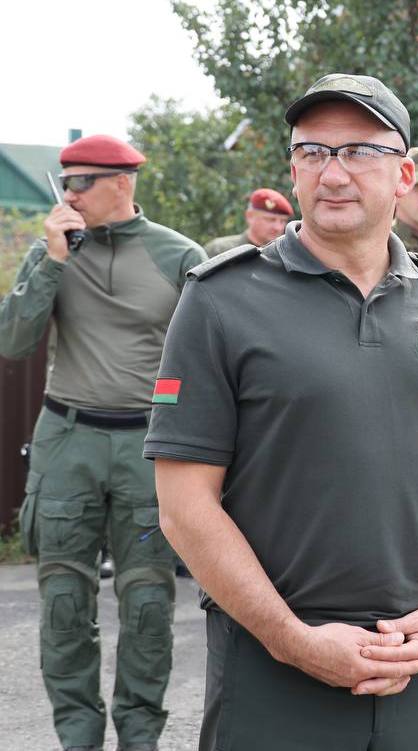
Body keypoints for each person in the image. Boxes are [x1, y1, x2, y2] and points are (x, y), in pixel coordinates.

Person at [143, 73, 418, 751]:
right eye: (313, 153)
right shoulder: (221, 300)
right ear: (293, 171)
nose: (333, 172)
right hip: (274, 670)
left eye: (358, 152)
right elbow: (183, 502)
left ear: (404, 174)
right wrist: (292, 639)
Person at [1, 134, 205, 751]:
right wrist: (52, 260)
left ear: (123, 182)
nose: (69, 195)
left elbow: (209, 357)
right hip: (68, 440)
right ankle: (78, 739)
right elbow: (12, 342)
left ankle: (139, 738)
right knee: (64, 598)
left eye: (82, 182)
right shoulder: (53, 252)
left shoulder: (179, 256)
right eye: (65, 183)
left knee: (147, 604)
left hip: (147, 447)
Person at [203, 187, 293, 256]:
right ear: (250, 216)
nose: (278, 227)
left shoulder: (286, 255)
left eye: (283, 221)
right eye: (270, 219)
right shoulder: (220, 250)